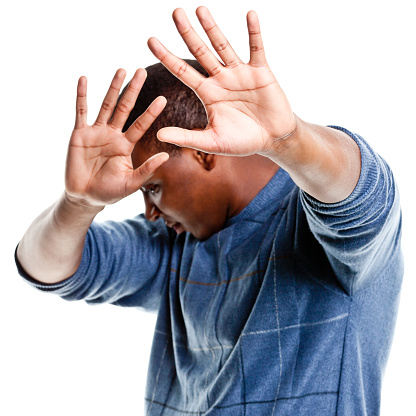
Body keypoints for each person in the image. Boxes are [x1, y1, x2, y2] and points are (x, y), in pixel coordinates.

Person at [15, 6, 403, 416]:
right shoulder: (176, 246)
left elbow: (361, 196)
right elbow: (48, 267)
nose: (150, 211)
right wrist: (79, 204)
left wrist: (288, 139)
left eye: (153, 187)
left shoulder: (317, 227)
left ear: (201, 153)